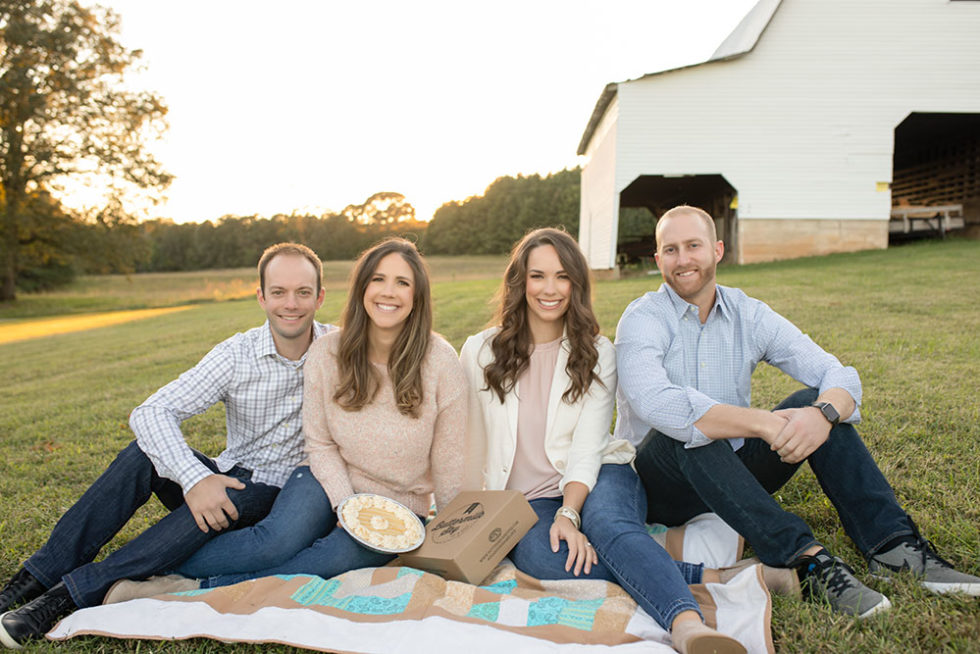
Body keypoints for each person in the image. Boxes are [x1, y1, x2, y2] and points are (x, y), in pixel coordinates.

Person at [614, 205, 980, 619]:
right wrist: (762, 422)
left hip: (730, 473)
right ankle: (808, 560)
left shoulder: (749, 314)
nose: (683, 260)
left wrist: (822, 414)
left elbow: (837, 373)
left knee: (816, 403)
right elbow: (657, 402)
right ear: (658, 259)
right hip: (657, 484)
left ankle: (892, 547)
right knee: (688, 432)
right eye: (671, 249)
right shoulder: (643, 318)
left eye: (693, 246)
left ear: (717, 250)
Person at [0, 243, 334, 648]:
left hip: (281, 495)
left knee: (223, 501)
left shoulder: (340, 349)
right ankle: (32, 580)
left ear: (319, 296)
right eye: (278, 292)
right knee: (145, 455)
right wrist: (195, 479)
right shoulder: (236, 354)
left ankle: (64, 597)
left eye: (303, 292)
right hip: (232, 473)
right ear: (261, 296)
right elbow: (151, 412)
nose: (291, 304)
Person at [106, 237, 467, 597]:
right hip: (323, 481)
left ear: (417, 294)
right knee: (272, 544)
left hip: (398, 506)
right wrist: (346, 504)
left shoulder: (440, 360)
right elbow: (321, 443)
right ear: (361, 288)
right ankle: (136, 567)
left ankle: (184, 585)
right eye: (378, 279)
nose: (388, 292)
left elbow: (449, 457)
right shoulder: (327, 352)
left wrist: (450, 534)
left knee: (323, 563)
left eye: (402, 282)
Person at [461, 228, 761, 654]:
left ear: (577, 285)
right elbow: (468, 435)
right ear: (519, 282)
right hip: (525, 501)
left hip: (599, 472)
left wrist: (569, 512)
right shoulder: (478, 351)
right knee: (545, 561)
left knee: (609, 529)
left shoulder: (597, 352)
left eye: (563, 277)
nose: (550, 289)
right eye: (537, 276)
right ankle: (708, 576)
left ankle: (686, 624)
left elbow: (587, 445)